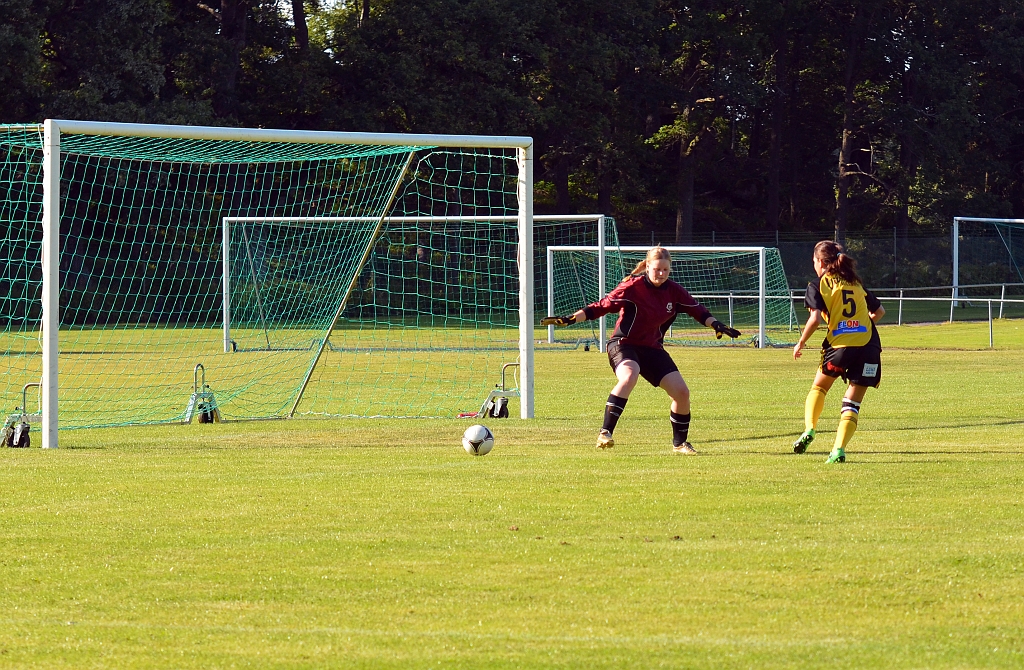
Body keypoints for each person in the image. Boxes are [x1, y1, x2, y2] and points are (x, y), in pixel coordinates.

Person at [543, 246, 741, 454]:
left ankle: (680, 444)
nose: (662, 274)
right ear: (647, 267)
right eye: (657, 269)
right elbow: (600, 306)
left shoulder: (674, 291)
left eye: (666, 270)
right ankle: (605, 432)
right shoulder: (632, 287)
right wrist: (571, 319)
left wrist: (716, 324)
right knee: (629, 375)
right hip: (624, 344)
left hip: (652, 348)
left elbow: (697, 310)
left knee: (682, 393)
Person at [793, 240, 885, 463]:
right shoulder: (855, 282)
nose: (814, 265)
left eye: (814, 261)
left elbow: (814, 319)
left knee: (819, 387)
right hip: (869, 347)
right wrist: (860, 324)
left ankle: (810, 430)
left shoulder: (818, 284)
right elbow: (879, 311)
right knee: (852, 404)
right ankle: (838, 450)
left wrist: (801, 342)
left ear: (822, 262)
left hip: (839, 347)